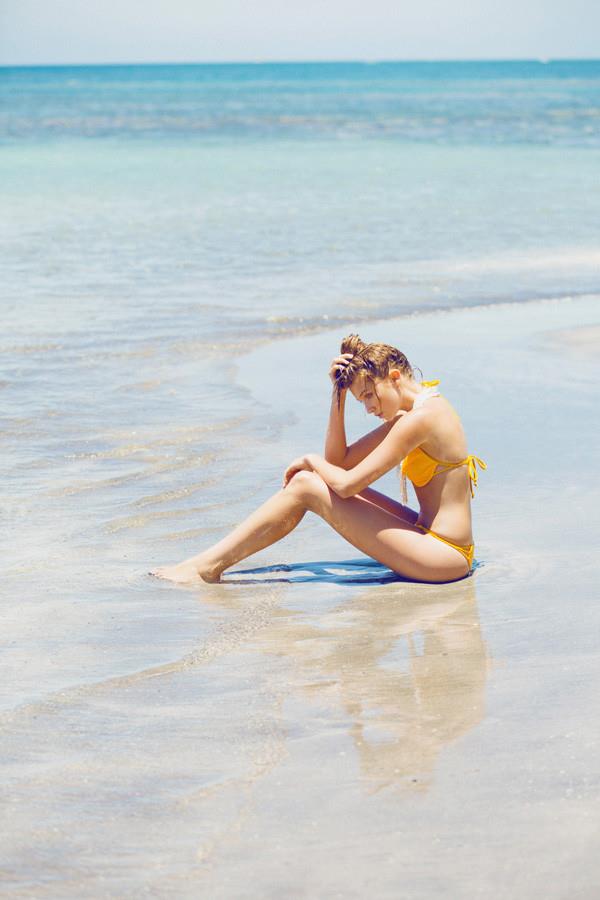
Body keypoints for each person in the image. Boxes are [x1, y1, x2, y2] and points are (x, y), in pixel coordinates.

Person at [151, 334, 486, 585]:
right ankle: (205, 563)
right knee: (313, 481)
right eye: (361, 401)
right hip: (429, 538)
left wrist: (310, 460)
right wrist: (338, 393)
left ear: (395, 377)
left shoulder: (421, 419)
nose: (368, 408)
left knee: (307, 487)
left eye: (369, 395)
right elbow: (339, 461)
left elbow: (348, 483)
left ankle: (206, 567)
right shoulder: (418, 410)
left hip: (445, 555)